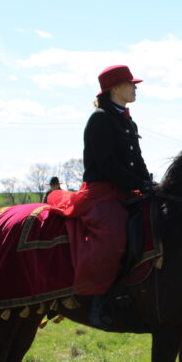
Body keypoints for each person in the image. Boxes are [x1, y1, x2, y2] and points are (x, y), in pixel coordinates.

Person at [68, 65, 154, 327]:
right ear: (115, 88)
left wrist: (150, 184)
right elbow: (108, 166)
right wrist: (138, 183)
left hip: (127, 190)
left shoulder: (127, 119)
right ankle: (98, 301)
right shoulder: (100, 118)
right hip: (102, 192)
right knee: (114, 235)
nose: (135, 87)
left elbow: (136, 160)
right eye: (131, 84)